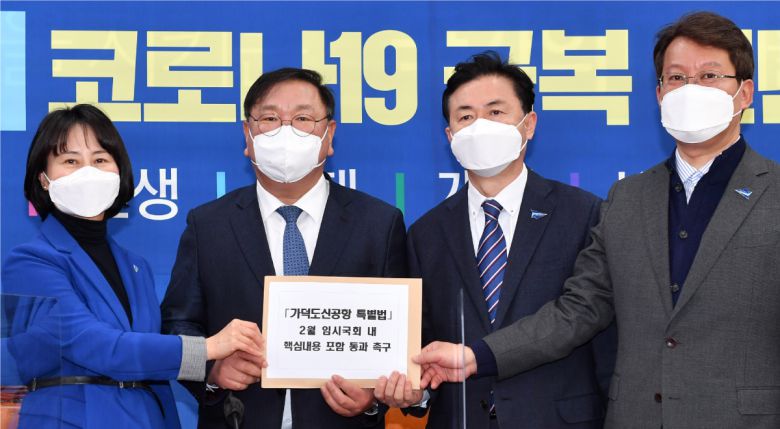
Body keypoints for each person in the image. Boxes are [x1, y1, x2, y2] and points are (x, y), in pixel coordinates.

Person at [414, 11, 779, 429]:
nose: (690, 89)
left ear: (745, 93)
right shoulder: (627, 199)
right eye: (676, 78)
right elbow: (580, 308)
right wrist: (476, 356)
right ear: (659, 93)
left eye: (709, 76)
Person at [373, 52, 616, 428]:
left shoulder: (584, 213)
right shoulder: (426, 233)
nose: (480, 127)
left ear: (529, 124)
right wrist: (414, 391)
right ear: (450, 136)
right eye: (465, 117)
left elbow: (582, 313)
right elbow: (420, 345)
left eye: (495, 112)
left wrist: (478, 356)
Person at [160, 67, 407, 428]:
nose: (286, 131)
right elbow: (178, 323)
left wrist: (372, 398)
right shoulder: (208, 224)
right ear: (247, 134)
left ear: (329, 134)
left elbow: (401, 336)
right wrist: (212, 369)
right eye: (270, 119)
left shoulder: (379, 224)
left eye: (303, 119)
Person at [1, 104, 265, 429]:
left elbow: (152, 367)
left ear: (119, 171)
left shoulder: (135, 267)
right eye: (70, 161)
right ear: (43, 179)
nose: (88, 172)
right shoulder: (30, 262)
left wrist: (211, 371)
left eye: (100, 160)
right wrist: (209, 347)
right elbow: (95, 346)